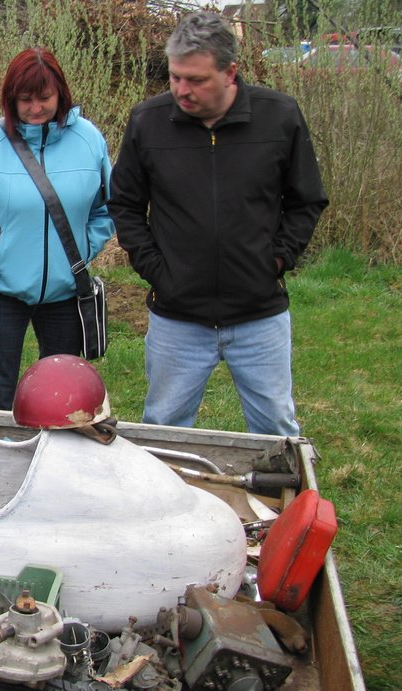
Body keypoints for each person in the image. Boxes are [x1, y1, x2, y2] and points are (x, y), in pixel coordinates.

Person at [108, 11, 329, 437]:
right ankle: (168, 507)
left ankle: (280, 507)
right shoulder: (147, 121)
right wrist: (156, 270)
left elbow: (307, 201)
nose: (181, 90)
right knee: (164, 430)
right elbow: (124, 204)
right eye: (175, 77)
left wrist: (278, 259)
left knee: (277, 432)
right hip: (177, 317)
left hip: (259, 315)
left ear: (230, 72)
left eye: (195, 80)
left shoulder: (279, 117)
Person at [0, 47, 114, 410]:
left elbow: (108, 207)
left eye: (44, 97)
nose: (36, 108)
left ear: (61, 93)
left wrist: (85, 249)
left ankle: (57, 462)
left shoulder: (89, 141)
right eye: (25, 100)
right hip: (2, 293)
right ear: (11, 99)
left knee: (63, 397)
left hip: (65, 292)